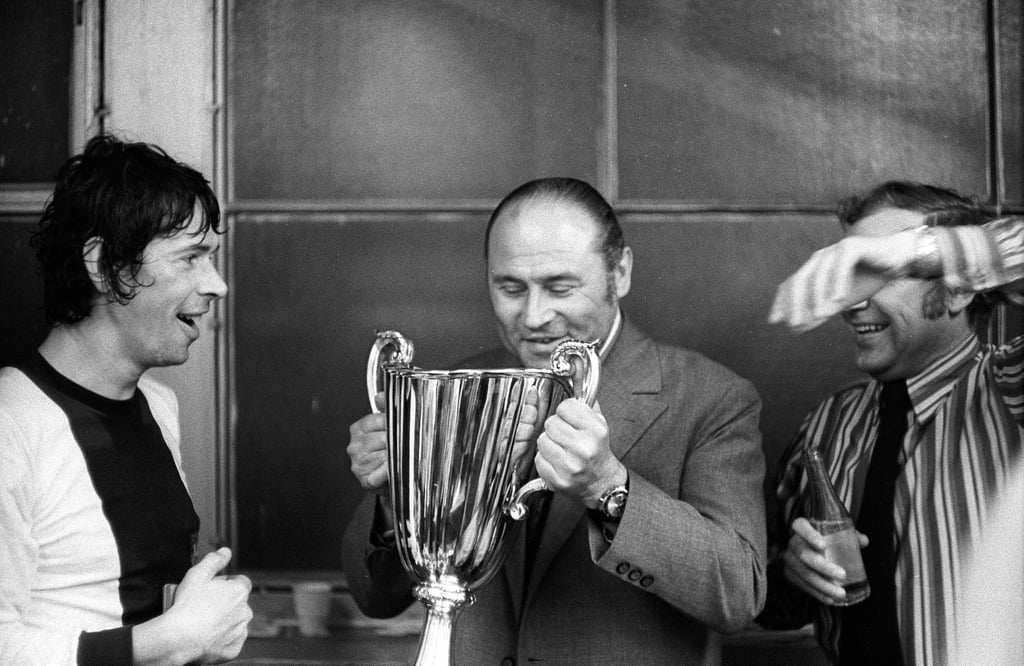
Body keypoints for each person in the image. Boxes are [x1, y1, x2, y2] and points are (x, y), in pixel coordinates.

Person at [343, 177, 767, 664]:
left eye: (560, 287)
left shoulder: (713, 398)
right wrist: (396, 500)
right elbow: (372, 597)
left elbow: (740, 594)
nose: (535, 316)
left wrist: (610, 489)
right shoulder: (459, 384)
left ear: (620, 272)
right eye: (510, 288)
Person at [0, 134, 252, 665]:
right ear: (105, 264)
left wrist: (204, 632)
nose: (217, 286)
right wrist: (174, 640)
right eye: (191, 258)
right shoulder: (10, 423)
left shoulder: (160, 406)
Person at [760, 181, 1024, 664]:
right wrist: (792, 575)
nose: (852, 301)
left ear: (960, 288)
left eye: (877, 273)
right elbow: (762, 596)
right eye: (853, 275)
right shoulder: (829, 422)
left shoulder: (1010, 390)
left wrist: (911, 252)